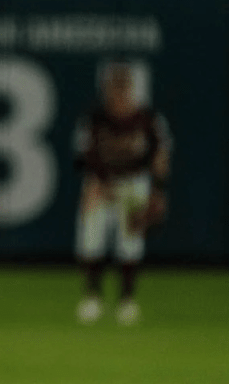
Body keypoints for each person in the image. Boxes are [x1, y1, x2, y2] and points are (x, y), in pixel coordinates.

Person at [72, 61, 172, 326]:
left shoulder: (148, 119)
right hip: (99, 184)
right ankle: (92, 297)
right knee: (91, 239)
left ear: (131, 91)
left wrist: (157, 190)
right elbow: (82, 155)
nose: (119, 96)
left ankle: (127, 300)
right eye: (114, 90)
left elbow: (161, 156)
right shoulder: (94, 119)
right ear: (107, 92)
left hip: (133, 184)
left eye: (123, 90)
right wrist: (96, 184)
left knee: (130, 242)